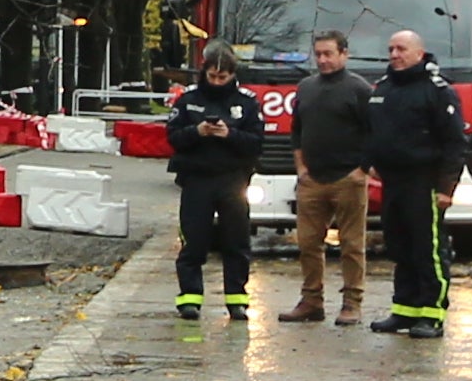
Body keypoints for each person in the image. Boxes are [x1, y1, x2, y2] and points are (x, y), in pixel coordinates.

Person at [366, 28, 469, 338]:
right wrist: (371, 162)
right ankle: (405, 309)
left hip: (424, 182)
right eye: (391, 49)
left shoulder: (437, 91)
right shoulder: (383, 88)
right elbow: (374, 131)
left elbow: (454, 143)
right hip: (393, 182)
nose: (394, 55)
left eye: (401, 49)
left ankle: (432, 313)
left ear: (419, 53)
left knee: (428, 250)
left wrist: (447, 188)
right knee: (399, 246)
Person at [281, 31, 379, 323]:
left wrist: (362, 170)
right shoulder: (306, 87)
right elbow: (296, 130)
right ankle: (311, 300)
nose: (322, 60)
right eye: (318, 54)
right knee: (308, 243)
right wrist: (301, 168)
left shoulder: (359, 89)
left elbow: (375, 133)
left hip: (348, 178)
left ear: (344, 54)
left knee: (352, 245)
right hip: (312, 180)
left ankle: (352, 303)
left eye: (329, 54)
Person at [161, 39, 262, 320]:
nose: (217, 82)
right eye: (212, 76)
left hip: (233, 181)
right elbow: (173, 138)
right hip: (197, 181)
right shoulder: (189, 100)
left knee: (236, 243)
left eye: (223, 77)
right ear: (204, 72)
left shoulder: (246, 102)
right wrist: (198, 132)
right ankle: (190, 299)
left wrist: (230, 135)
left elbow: (256, 142)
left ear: (233, 75)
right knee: (194, 242)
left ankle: (237, 300)